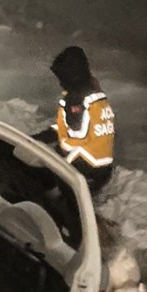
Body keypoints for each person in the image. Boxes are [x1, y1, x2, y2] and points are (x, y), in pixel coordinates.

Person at [35, 46, 115, 194]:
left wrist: (43, 143)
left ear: (69, 77)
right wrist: (43, 136)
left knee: (44, 168)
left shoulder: (76, 100)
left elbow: (74, 133)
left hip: (85, 167)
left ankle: (65, 203)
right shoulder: (96, 95)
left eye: (61, 78)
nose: (60, 83)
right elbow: (68, 127)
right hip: (103, 167)